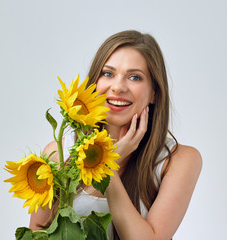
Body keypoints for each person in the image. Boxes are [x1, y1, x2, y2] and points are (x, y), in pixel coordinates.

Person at [29, 30, 202, 240]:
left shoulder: (178, 160)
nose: (118, 87)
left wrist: (106, 163)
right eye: (108, 73)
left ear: (155, 93)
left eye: (135, 77)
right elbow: (36, 234)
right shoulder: (58, 154)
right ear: (94, 83)